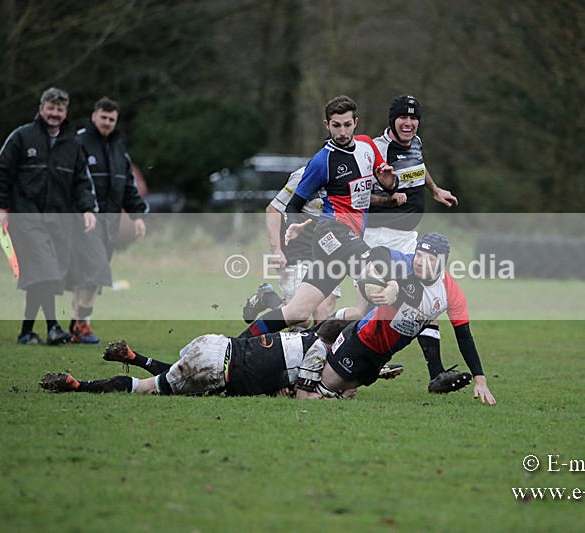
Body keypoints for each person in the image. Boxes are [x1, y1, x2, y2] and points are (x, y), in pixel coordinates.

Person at [237, 95, 396, 338]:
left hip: (346, 238)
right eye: (336, 125)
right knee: (377, 272)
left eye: (347, 125)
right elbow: (293, 205)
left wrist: (390, 183)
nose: (342, 132)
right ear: (326, 125)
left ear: (355, 122)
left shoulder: (367, 146)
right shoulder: (322, 161)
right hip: (332, 232)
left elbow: (385, 183)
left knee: (298, 313)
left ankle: (238, 344)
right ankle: (362, 352)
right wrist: (296, 225)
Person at [299, 232, 496, 406]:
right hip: (359, 341)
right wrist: (393, 282)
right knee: (323, 388)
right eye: (419, 254)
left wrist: (480, 379)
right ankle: (294, 363)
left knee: (347, 392)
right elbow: (378, 253)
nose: (420, 261)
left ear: (441, 263)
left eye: (429, 258)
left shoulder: (450, 293)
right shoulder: (405, 264)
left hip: (381, 357)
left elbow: (464, 337)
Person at [362, 94, 465, 394]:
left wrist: (434, 189)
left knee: (425, 299)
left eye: (413, 117)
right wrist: (387, 200)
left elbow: (419, 167)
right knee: (373, 304)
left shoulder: (415, 142)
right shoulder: (375, 150)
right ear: (391, 120)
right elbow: (357, 194)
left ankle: (436, 374)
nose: (408, 123)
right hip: (379, 238)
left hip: (408, 239)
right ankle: (333, 355)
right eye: (403, 117)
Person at [0, 87, 97, 345]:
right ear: (41, 109)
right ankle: (53, 327)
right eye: (50, 108)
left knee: (42, 276)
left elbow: (82, 182)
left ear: (65, 112)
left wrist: (88, 209)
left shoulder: (73, 146)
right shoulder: (22, 137)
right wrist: (0, 206)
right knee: (45, 270)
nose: (54, 113)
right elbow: (1, 172)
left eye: (59, 109)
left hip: (59, 222)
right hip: (27, 218)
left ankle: (26, 332)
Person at [39, 319, 353, 396]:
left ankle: (134, 356)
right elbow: (306, 393)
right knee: (147, 388)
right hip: (216, 368)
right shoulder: (317, 352)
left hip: (214, 343)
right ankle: (79, 385)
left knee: (175, 377)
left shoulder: (301, 334)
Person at [67, 97, 149, 343]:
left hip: (109, 222)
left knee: (87, 276)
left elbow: (127, 185)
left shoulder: (118, 148)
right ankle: (83, 324)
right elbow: (69, 182)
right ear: (94, 116)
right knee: (97, 270)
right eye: (103, 117)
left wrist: (137, 216)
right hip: (83, 220)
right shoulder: (79, 143)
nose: (107, 122)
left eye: (111, 119)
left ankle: (77, 325)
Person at [242, 166, 339, 326]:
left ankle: (313, 347)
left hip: (327, 251)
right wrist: (276, 250)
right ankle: (269, 298)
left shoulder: (349, 176)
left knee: (324, 315)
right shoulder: (303, 176)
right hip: (297, 249)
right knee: (300, 319)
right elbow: (273, 209)